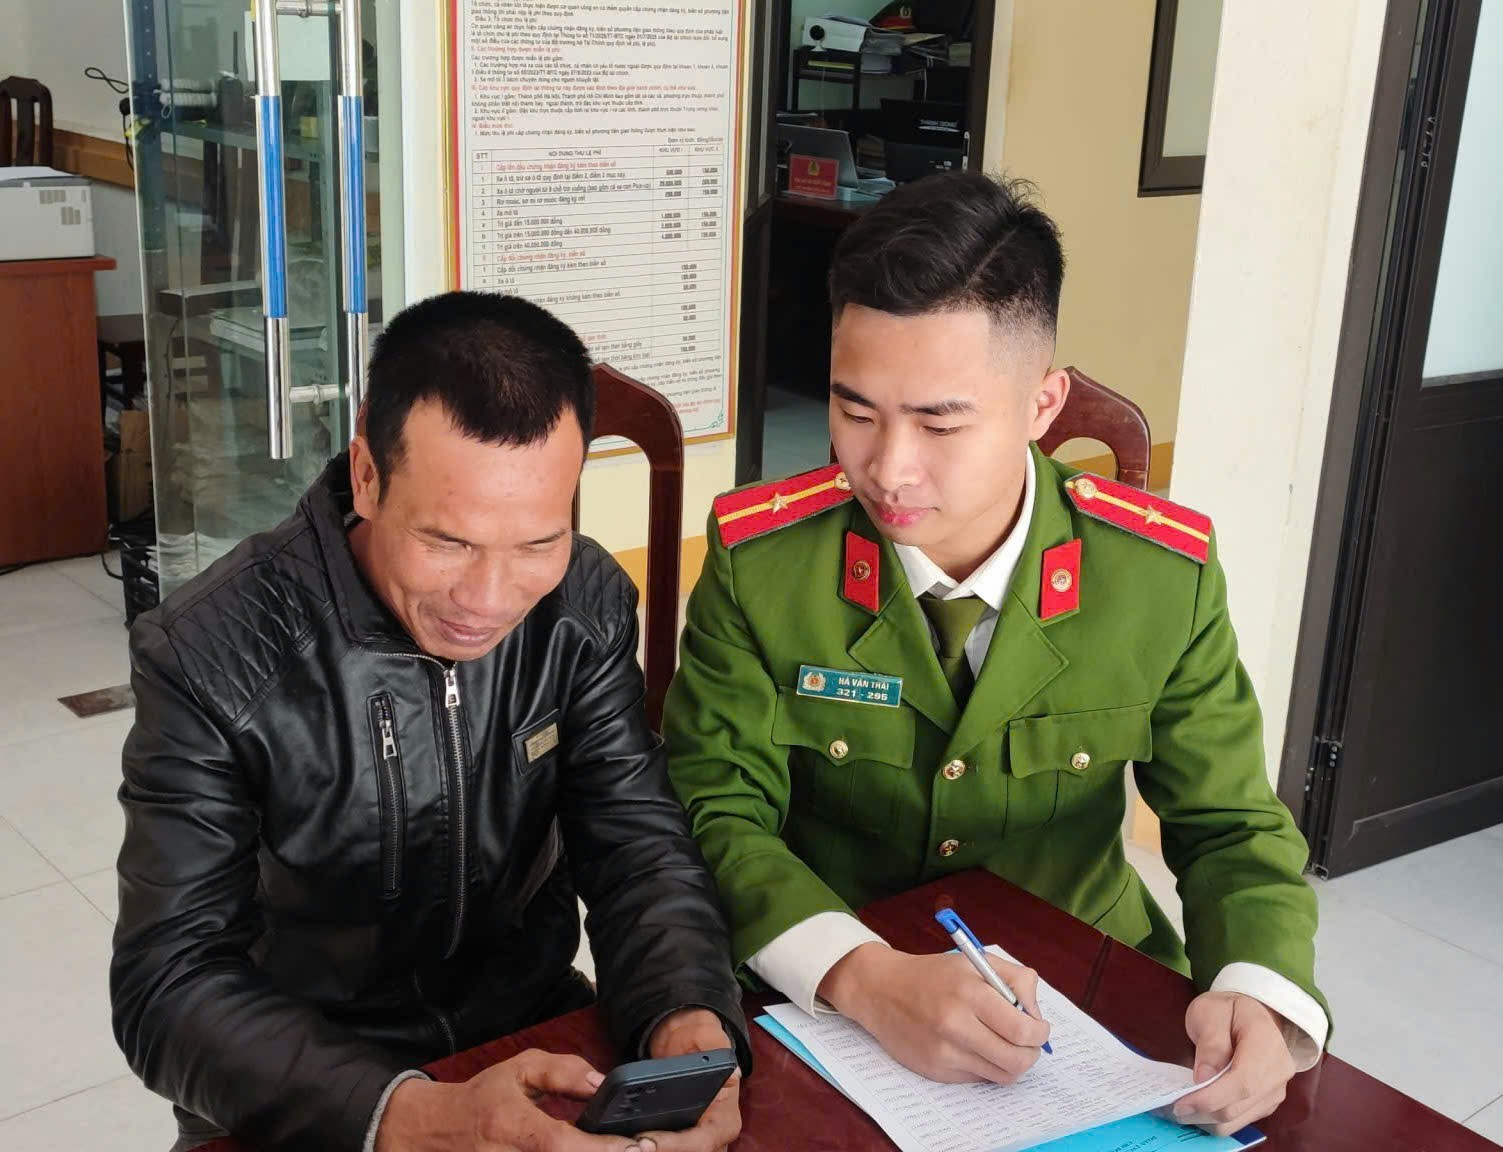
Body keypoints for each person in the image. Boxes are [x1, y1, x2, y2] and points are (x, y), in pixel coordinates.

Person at [664, 172, 1327, 1137]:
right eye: (855, 412)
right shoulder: (763, 562)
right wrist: (861, 975)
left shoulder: (1156, 576)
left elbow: (1228, 824)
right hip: (825, 984)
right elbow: (716, 807)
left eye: (940, 422)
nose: (887, 468)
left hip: (1081, 996)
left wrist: (1262, 993)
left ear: (1041, 403)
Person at [112, 292, 747, 1152]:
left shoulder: (581, 604)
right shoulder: (211, 654)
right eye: (447, 542)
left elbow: (634, 839)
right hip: (307, 1090)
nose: (487, 601)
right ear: (367, 475)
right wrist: (411, 1115)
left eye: (536, 542)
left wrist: (686, 1013)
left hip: (530, 1033)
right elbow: (168, 986)